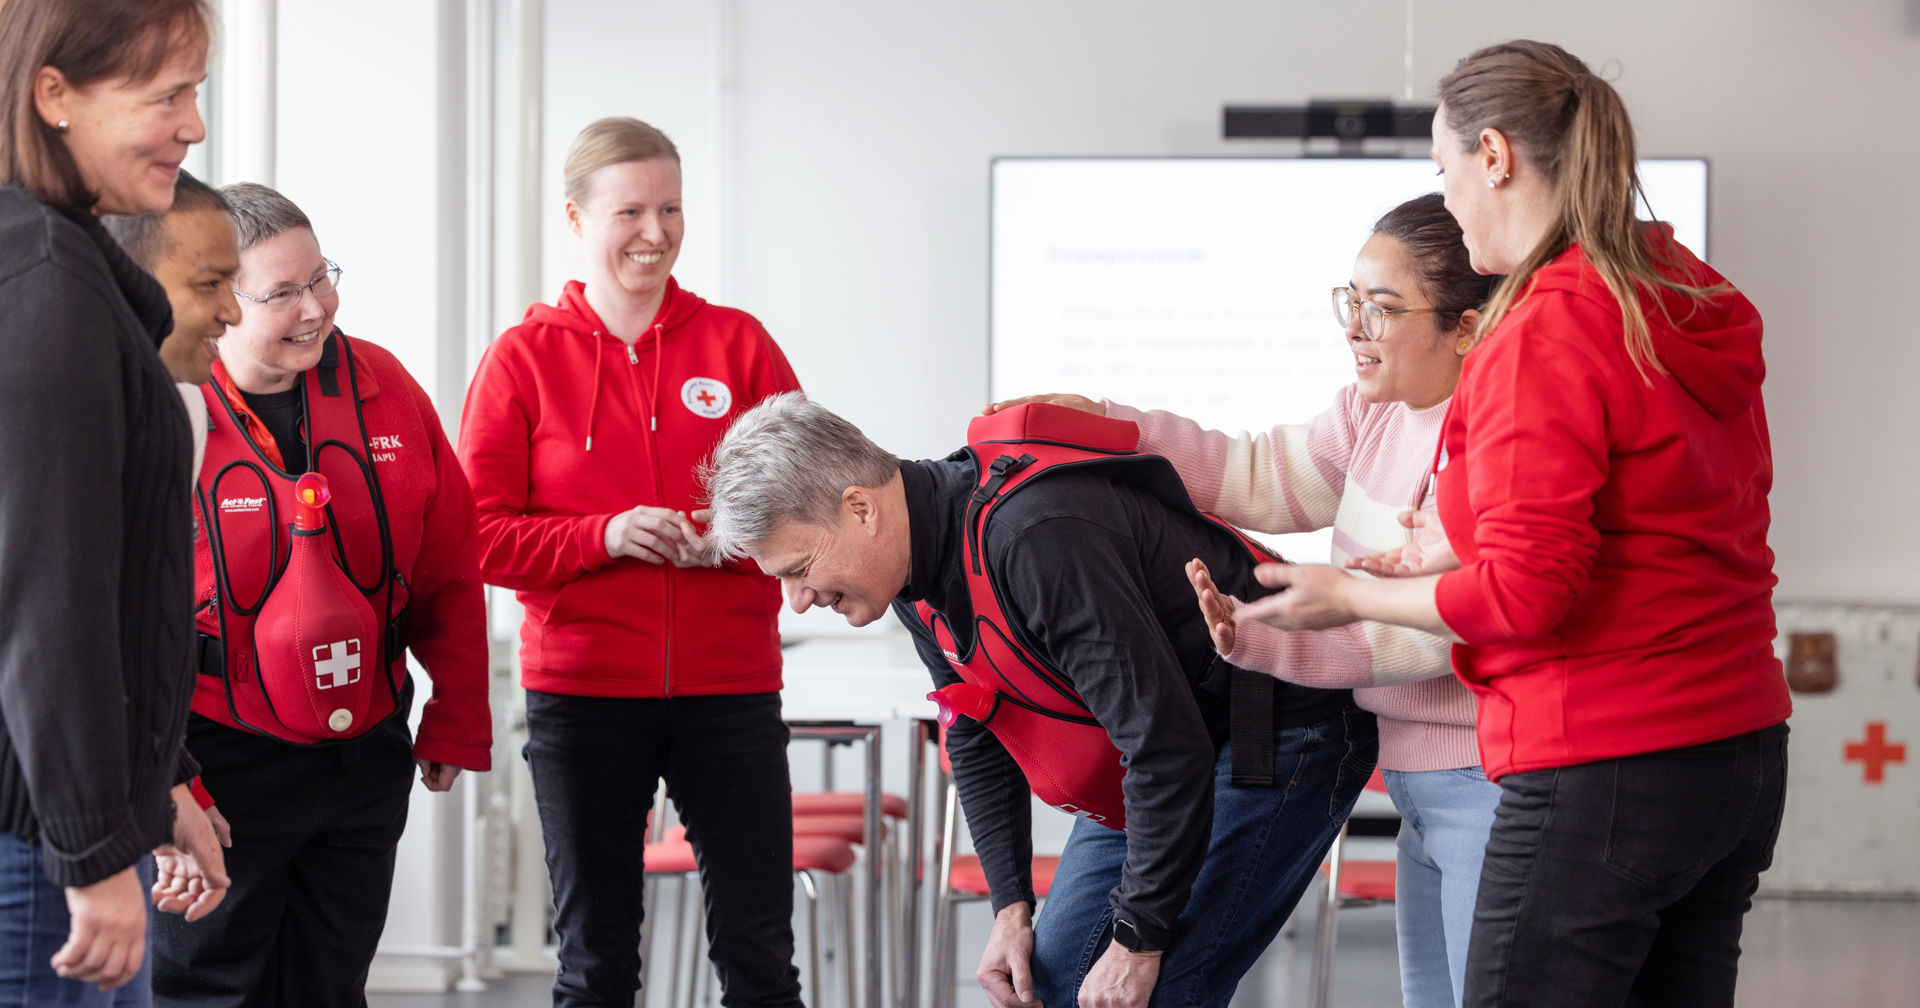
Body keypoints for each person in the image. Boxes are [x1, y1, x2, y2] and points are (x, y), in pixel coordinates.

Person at [1236, 40, 1792, 1008]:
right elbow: (1652, 522)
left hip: (1605, 764)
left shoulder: (1543, 326)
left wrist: (1349, 590)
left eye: (1444, 170)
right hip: (1737, 750)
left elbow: (1527, 596)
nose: (1445, 199)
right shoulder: (1684, 291)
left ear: (1494, 156)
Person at [991, 192, 1502, 1008]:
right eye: (1351, 301)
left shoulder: (1492, 432)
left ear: (1467, 327)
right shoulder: (1372, 411)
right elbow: (1262, 477)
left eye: (1384, 308)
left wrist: (1267, 640)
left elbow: (1439, 628)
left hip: (1486, 776)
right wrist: (1118, 427)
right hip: (1416, 771)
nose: (1355, 328)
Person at [700, 392, 1376, 1008]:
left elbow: (1166, 750)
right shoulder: (910, 570)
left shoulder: (1033, 537)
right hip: (1165, 748)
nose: (797, 600)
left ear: (859, 509)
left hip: (1275, 723)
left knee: (1155, 989)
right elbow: (974, 728)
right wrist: (1010, 909)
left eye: (797, 569)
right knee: (1052, 986)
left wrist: (1138, 942)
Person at [457, 117, 806, 1008]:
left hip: (729, 692)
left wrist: (724, 543)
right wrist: (599, 536)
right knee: (597, 964)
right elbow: (477, 536)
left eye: (672, 209)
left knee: (762, 960)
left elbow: (804, 510)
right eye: (631, 211)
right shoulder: (522, 362)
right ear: (575, 218)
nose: (655, 233)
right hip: (582, 698)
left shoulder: (742, 347)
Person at [149, 182, 493, 1008]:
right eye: (282, 293)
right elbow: (122, 624)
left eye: (321, 278)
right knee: (211, 989)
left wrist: (460, 712)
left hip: (363, 752)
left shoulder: (384, 385)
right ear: (220, 300)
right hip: (219, 760)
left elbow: (450, 558)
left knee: (332, 987)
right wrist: (167, 784)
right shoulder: (167, 406)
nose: (315, 308)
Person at [0, 0, 229, 1003]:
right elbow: (52, 603)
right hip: (42, 844)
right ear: (53, 94)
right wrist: (96, 850)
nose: (194, 125)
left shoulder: (52, 263)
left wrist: (159, 777)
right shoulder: (46, 286)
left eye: (197, 92)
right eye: (165, 94)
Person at [103, 169, 244, 924]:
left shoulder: (184, 408)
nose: (233, 310)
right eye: (209, 283)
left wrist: (172, 785)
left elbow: (137, 631)